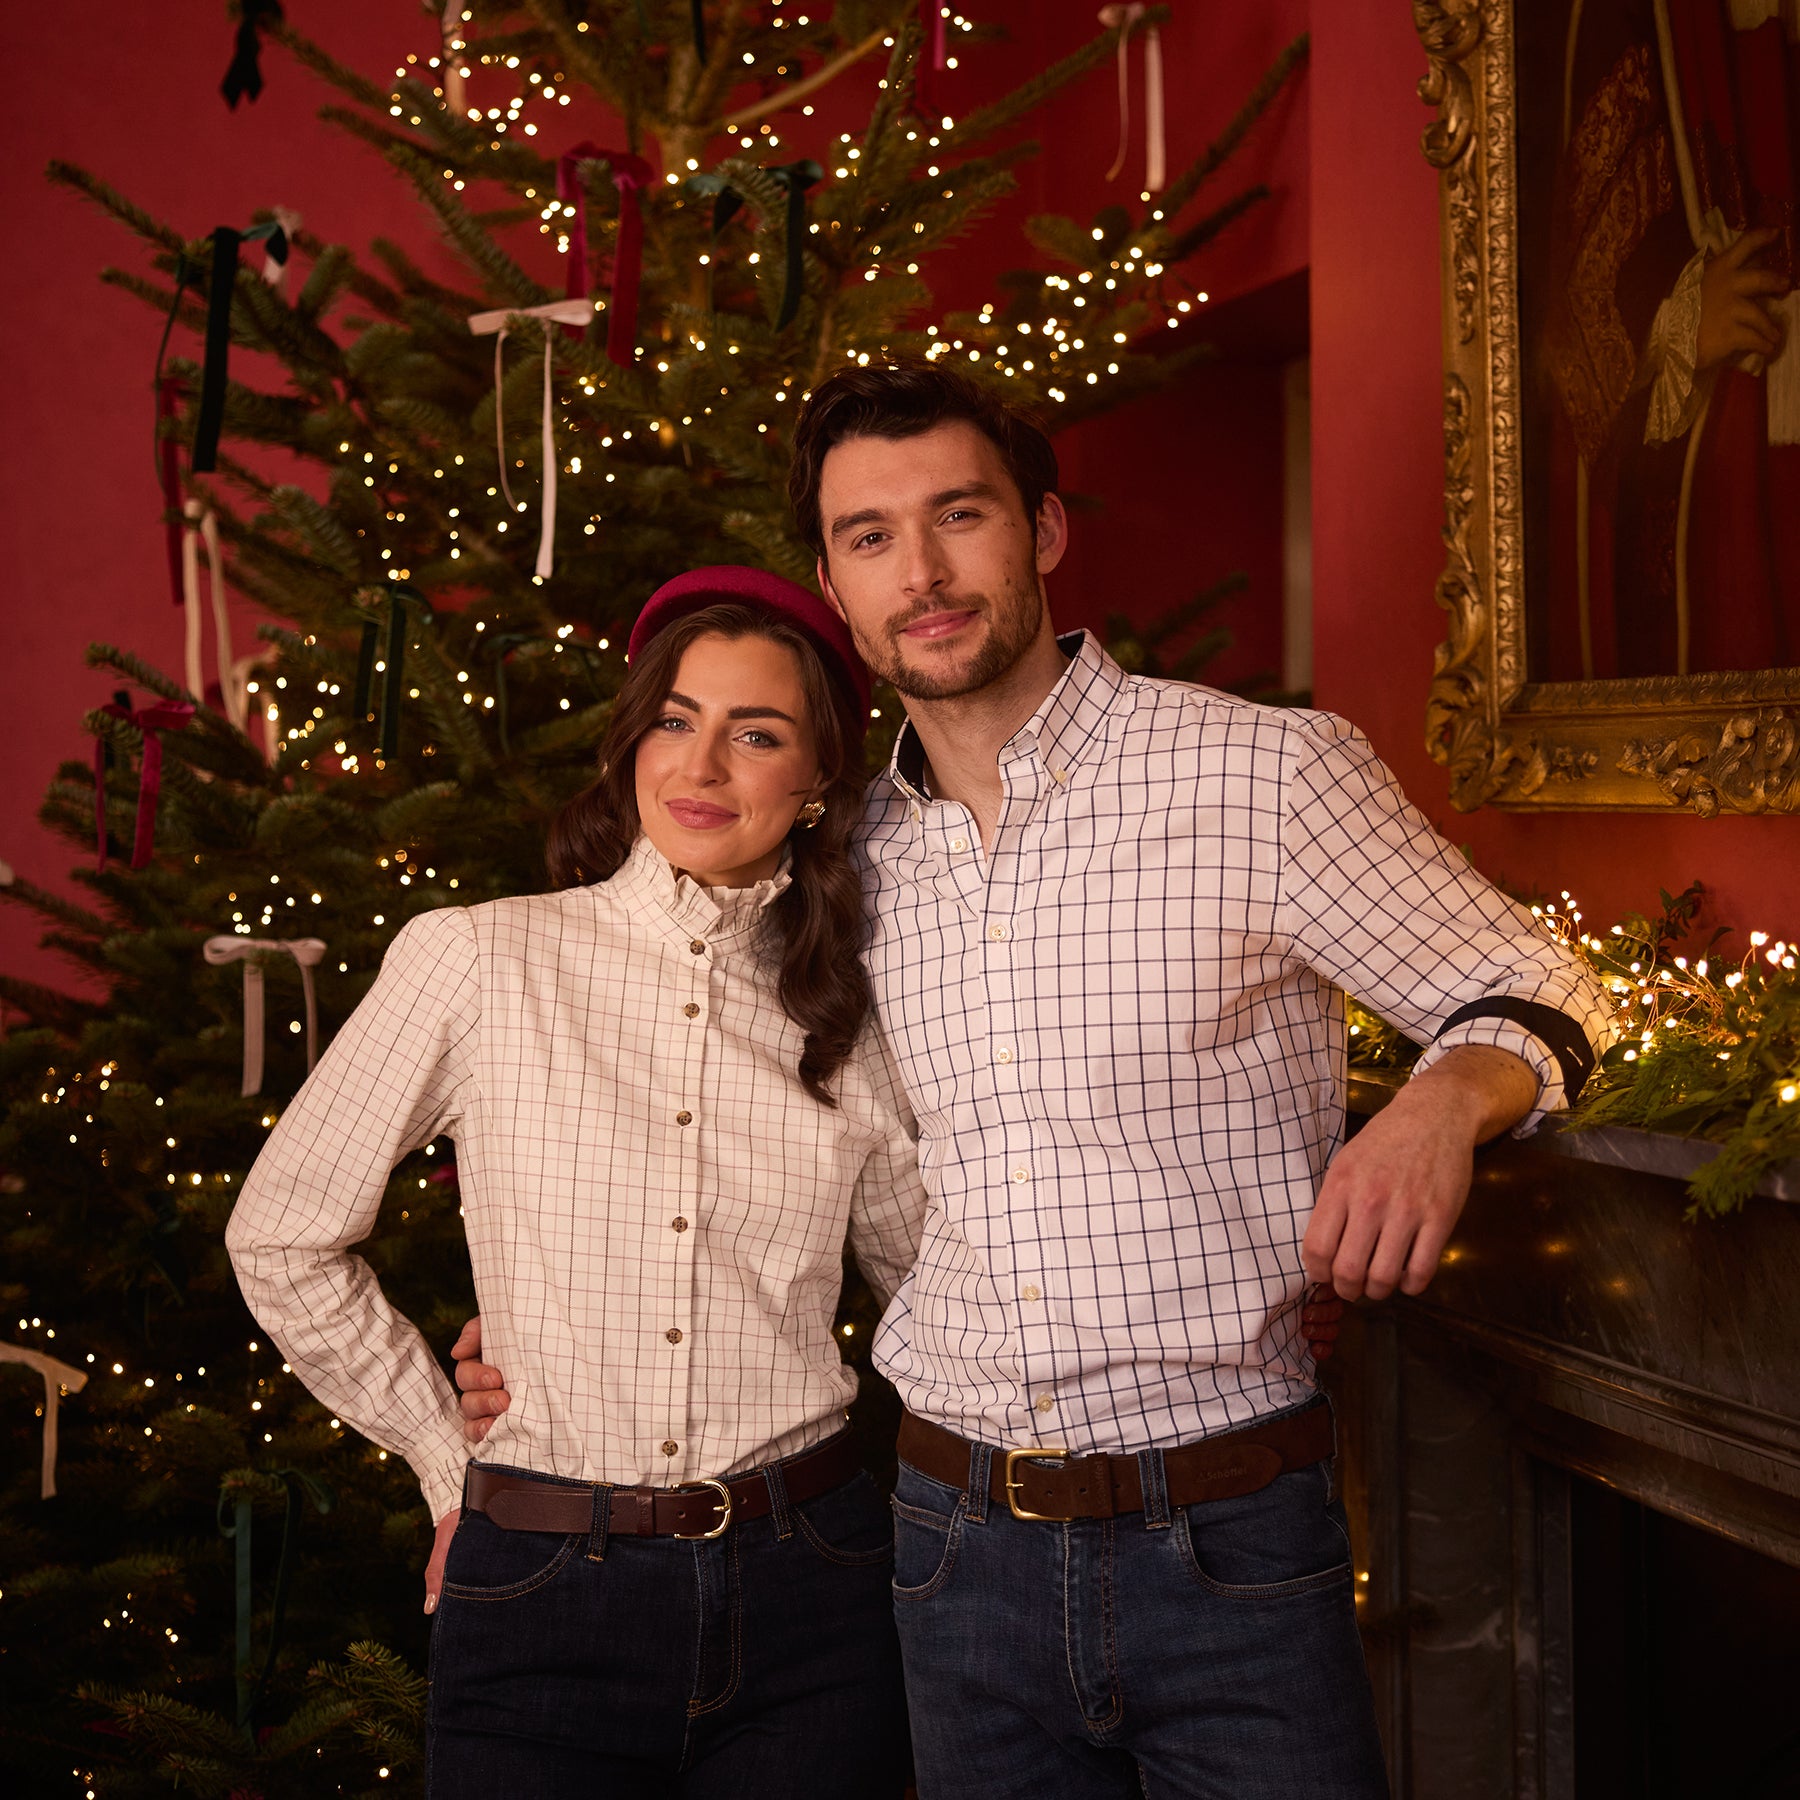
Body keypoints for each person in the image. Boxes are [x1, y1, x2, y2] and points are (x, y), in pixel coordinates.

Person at [458, 361, 1614, 1797]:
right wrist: (564, 1335)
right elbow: (722, 1126)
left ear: (1046, 533)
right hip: (948, 1554)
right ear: (831, 577)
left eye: (962, 516)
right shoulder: (836, 857)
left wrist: (1444, 1103)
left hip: (1231, 1539)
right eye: (872, 538)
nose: (925, 573)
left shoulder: (1263, 778)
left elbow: (1544, 986)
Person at [226, 571, 928, 1797]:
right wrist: (446, 1458)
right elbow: (282, 1235)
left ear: (816, 783)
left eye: (756, 733)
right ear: (633, 738)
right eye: (676, 717)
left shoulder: (848, 1015)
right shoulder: (482, 957)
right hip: (543, 1588)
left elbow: (932, 1285)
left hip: (814, 1581)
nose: (701, 761)